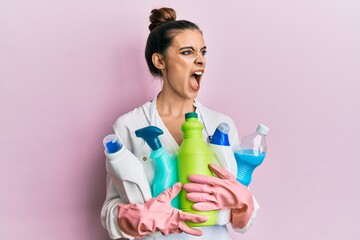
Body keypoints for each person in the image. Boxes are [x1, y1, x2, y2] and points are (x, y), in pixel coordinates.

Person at [101, 7, 260, 240]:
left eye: (203, 52)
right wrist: (138, 217)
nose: (200, 59)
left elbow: (240, 222)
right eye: (187, 52)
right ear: (159, 61)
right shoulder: (129, 125)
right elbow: (109, 211)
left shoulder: (220, 124)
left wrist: (243, 203)